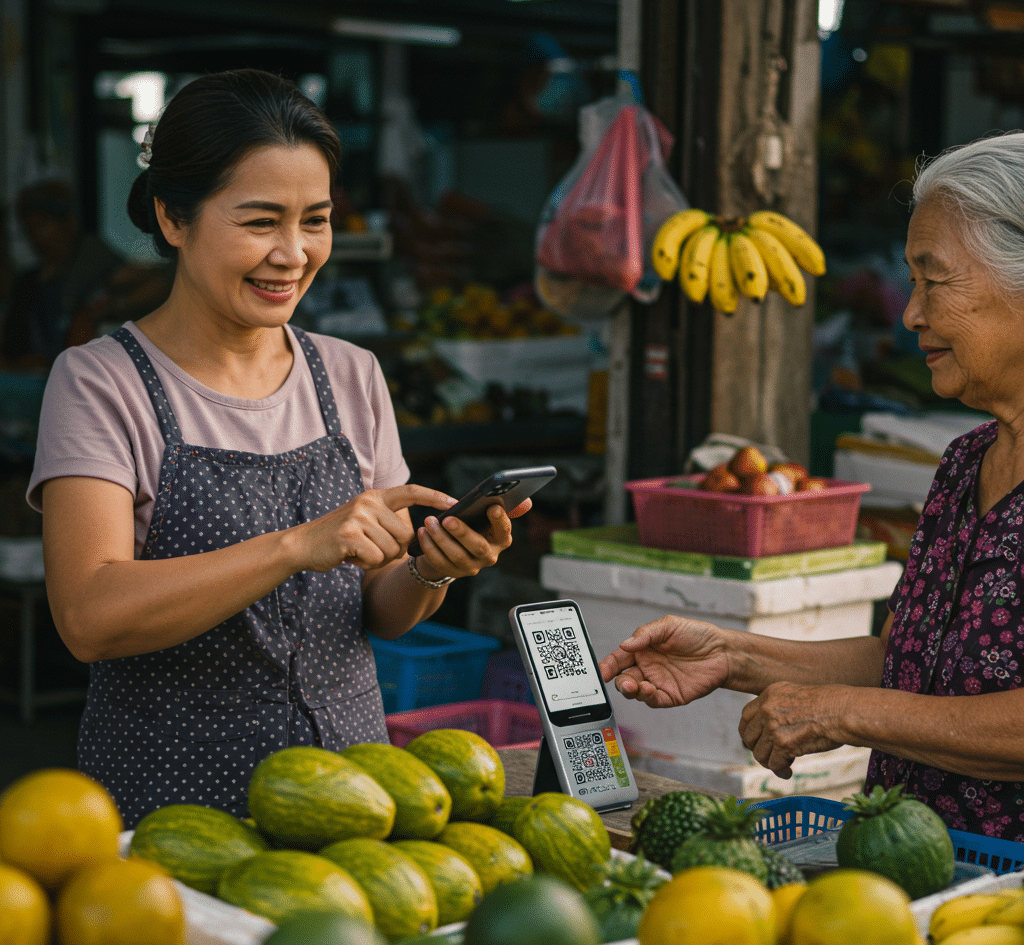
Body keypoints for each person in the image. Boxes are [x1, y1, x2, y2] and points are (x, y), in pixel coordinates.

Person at [27, 69, 532, 827]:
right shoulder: (101, 382)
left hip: (351, 792)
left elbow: (381, 608)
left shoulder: (350, 374)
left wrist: (432, 566)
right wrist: (297, 545)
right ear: (173, 217)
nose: (293, 254)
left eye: (316, 220)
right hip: (174, 808)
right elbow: (89, 615)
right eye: (261, 221)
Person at [600, 132, 1024, 843]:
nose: (910, 314)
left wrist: (841, 713)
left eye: (935, 279)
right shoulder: (965, 464)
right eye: (910, 282)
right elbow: (912, 660)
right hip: (914, 873)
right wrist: (737, 657)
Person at [1, 179, 170, 370]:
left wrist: (113, 307)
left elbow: (163, 282)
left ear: (69, 223)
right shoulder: (29, 282)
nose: (36, 237)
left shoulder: (94, 263)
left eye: (42, 225)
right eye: (29, 230)